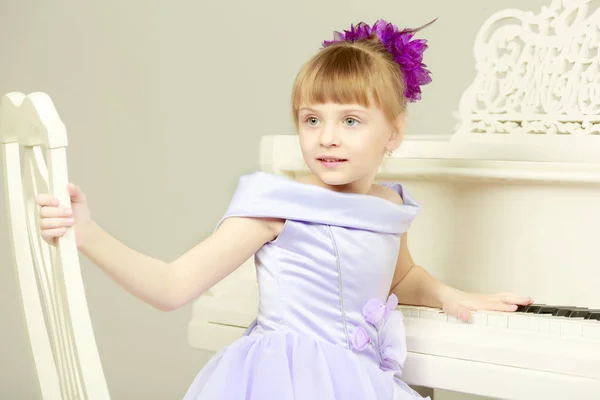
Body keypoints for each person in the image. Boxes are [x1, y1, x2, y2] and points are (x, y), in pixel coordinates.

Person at [36, 18, 534, 399]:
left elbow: (400, 279)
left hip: (355, 380)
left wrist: (449, 295)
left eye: (351, 120)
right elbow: (172, 287)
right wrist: (89, 234)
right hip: (284, 379)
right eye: (311, 119)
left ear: (394, 133)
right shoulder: (275, 204)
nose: (327, 137)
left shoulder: (389, 205)